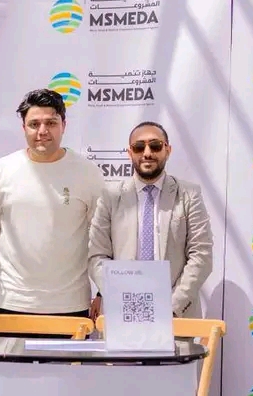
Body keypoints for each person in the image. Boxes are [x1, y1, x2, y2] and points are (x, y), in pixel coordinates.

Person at [0, 88, 105, 322]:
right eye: (34, 124)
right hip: (10, 301)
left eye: (51, 123)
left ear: (64, 125)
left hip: (69, 304)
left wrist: (102, 291)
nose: (42, 131)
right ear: (23, 128)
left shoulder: (88, 173)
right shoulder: (2, 170)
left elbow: (103, 238)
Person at [88, 121, 213, 319]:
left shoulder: (189, 195)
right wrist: (126, 301)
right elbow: (97, 256)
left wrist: (171, 306)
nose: (147, 153)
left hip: (176, 316)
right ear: (130, 153)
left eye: (155, 146)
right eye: (139, 147)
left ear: (168, 150)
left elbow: (201, 256)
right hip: (123, 314)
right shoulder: (110, 197)